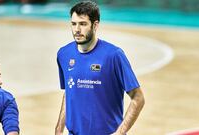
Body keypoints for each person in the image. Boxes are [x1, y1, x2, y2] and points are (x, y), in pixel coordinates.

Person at [55, 1, 145, 135]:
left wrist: (120, 133)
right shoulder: (64, 54)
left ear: (95, 25)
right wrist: (58, 130)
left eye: (83, 24)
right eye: (74, 24)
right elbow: (69, 92)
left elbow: (138, 98)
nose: (77, 29)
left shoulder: (114, 55)